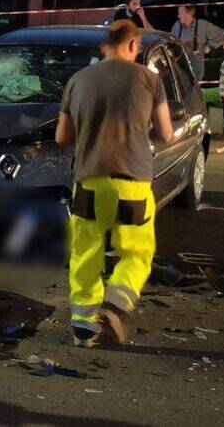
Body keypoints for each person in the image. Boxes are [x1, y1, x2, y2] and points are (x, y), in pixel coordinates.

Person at [56, 20, 174, 348]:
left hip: (89, 181)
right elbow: (165, 133)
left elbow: (62, 136)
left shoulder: (77, 80)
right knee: (137, 251)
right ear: (134, 44)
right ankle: (117, 304)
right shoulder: (150, 80)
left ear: (103, 48)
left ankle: (83, 327)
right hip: (133, 182)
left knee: (85, 252)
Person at [170, 5, 224, 82]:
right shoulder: (177, 26)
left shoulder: (203, 25)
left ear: (189, 13)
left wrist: (208, 46)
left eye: (180, 13)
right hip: (180, 68)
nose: (178, 16)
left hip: (196, 69)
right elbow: (170, 41)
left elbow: (222, 34)